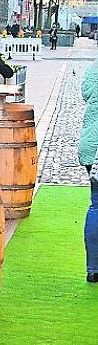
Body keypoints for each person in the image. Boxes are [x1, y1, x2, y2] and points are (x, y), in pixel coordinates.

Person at [80, 58, 98, 282]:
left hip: (91, 146)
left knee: (96, 204)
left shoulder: (95, 67)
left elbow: (86, 92)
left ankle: (94, 268)